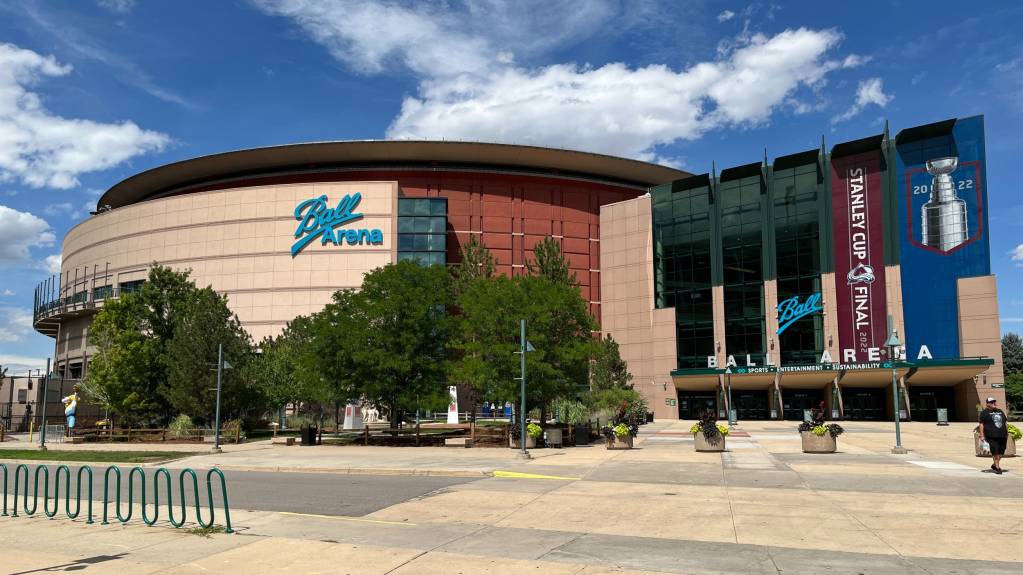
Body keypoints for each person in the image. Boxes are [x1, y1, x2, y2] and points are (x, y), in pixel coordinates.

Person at [979, 396, 1009, 474]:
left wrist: (1007, 432)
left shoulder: (1000, 411)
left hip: (1002, 435)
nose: (994, 403)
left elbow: (1005, 422)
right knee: (995, 451)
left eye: (994, 402)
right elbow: (981, 424)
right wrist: (982, 435)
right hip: (991, 435)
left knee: (1001, 452)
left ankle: (994, 464)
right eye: (991, 402)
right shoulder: (984, 412)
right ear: (987, 404)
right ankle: (998, 468)